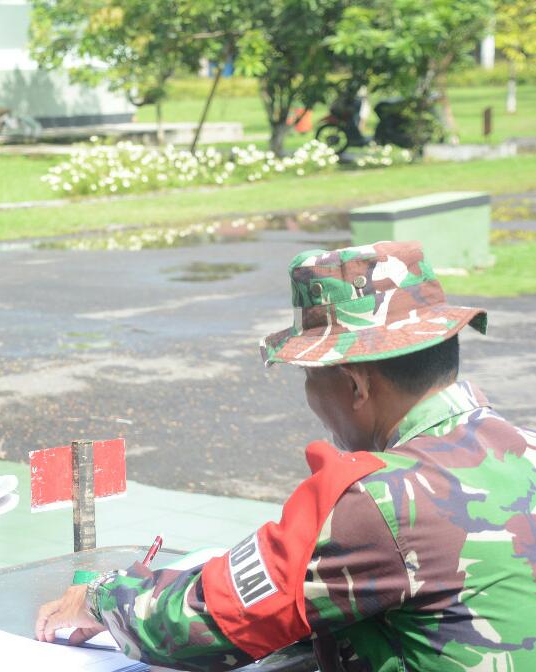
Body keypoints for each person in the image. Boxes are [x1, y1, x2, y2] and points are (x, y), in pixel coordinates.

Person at [35, 240, 536, 671]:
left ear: (355, 384)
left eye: (309, 375)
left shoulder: (383, 501)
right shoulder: (525, 446)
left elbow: (205, 621)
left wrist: (100, 598)